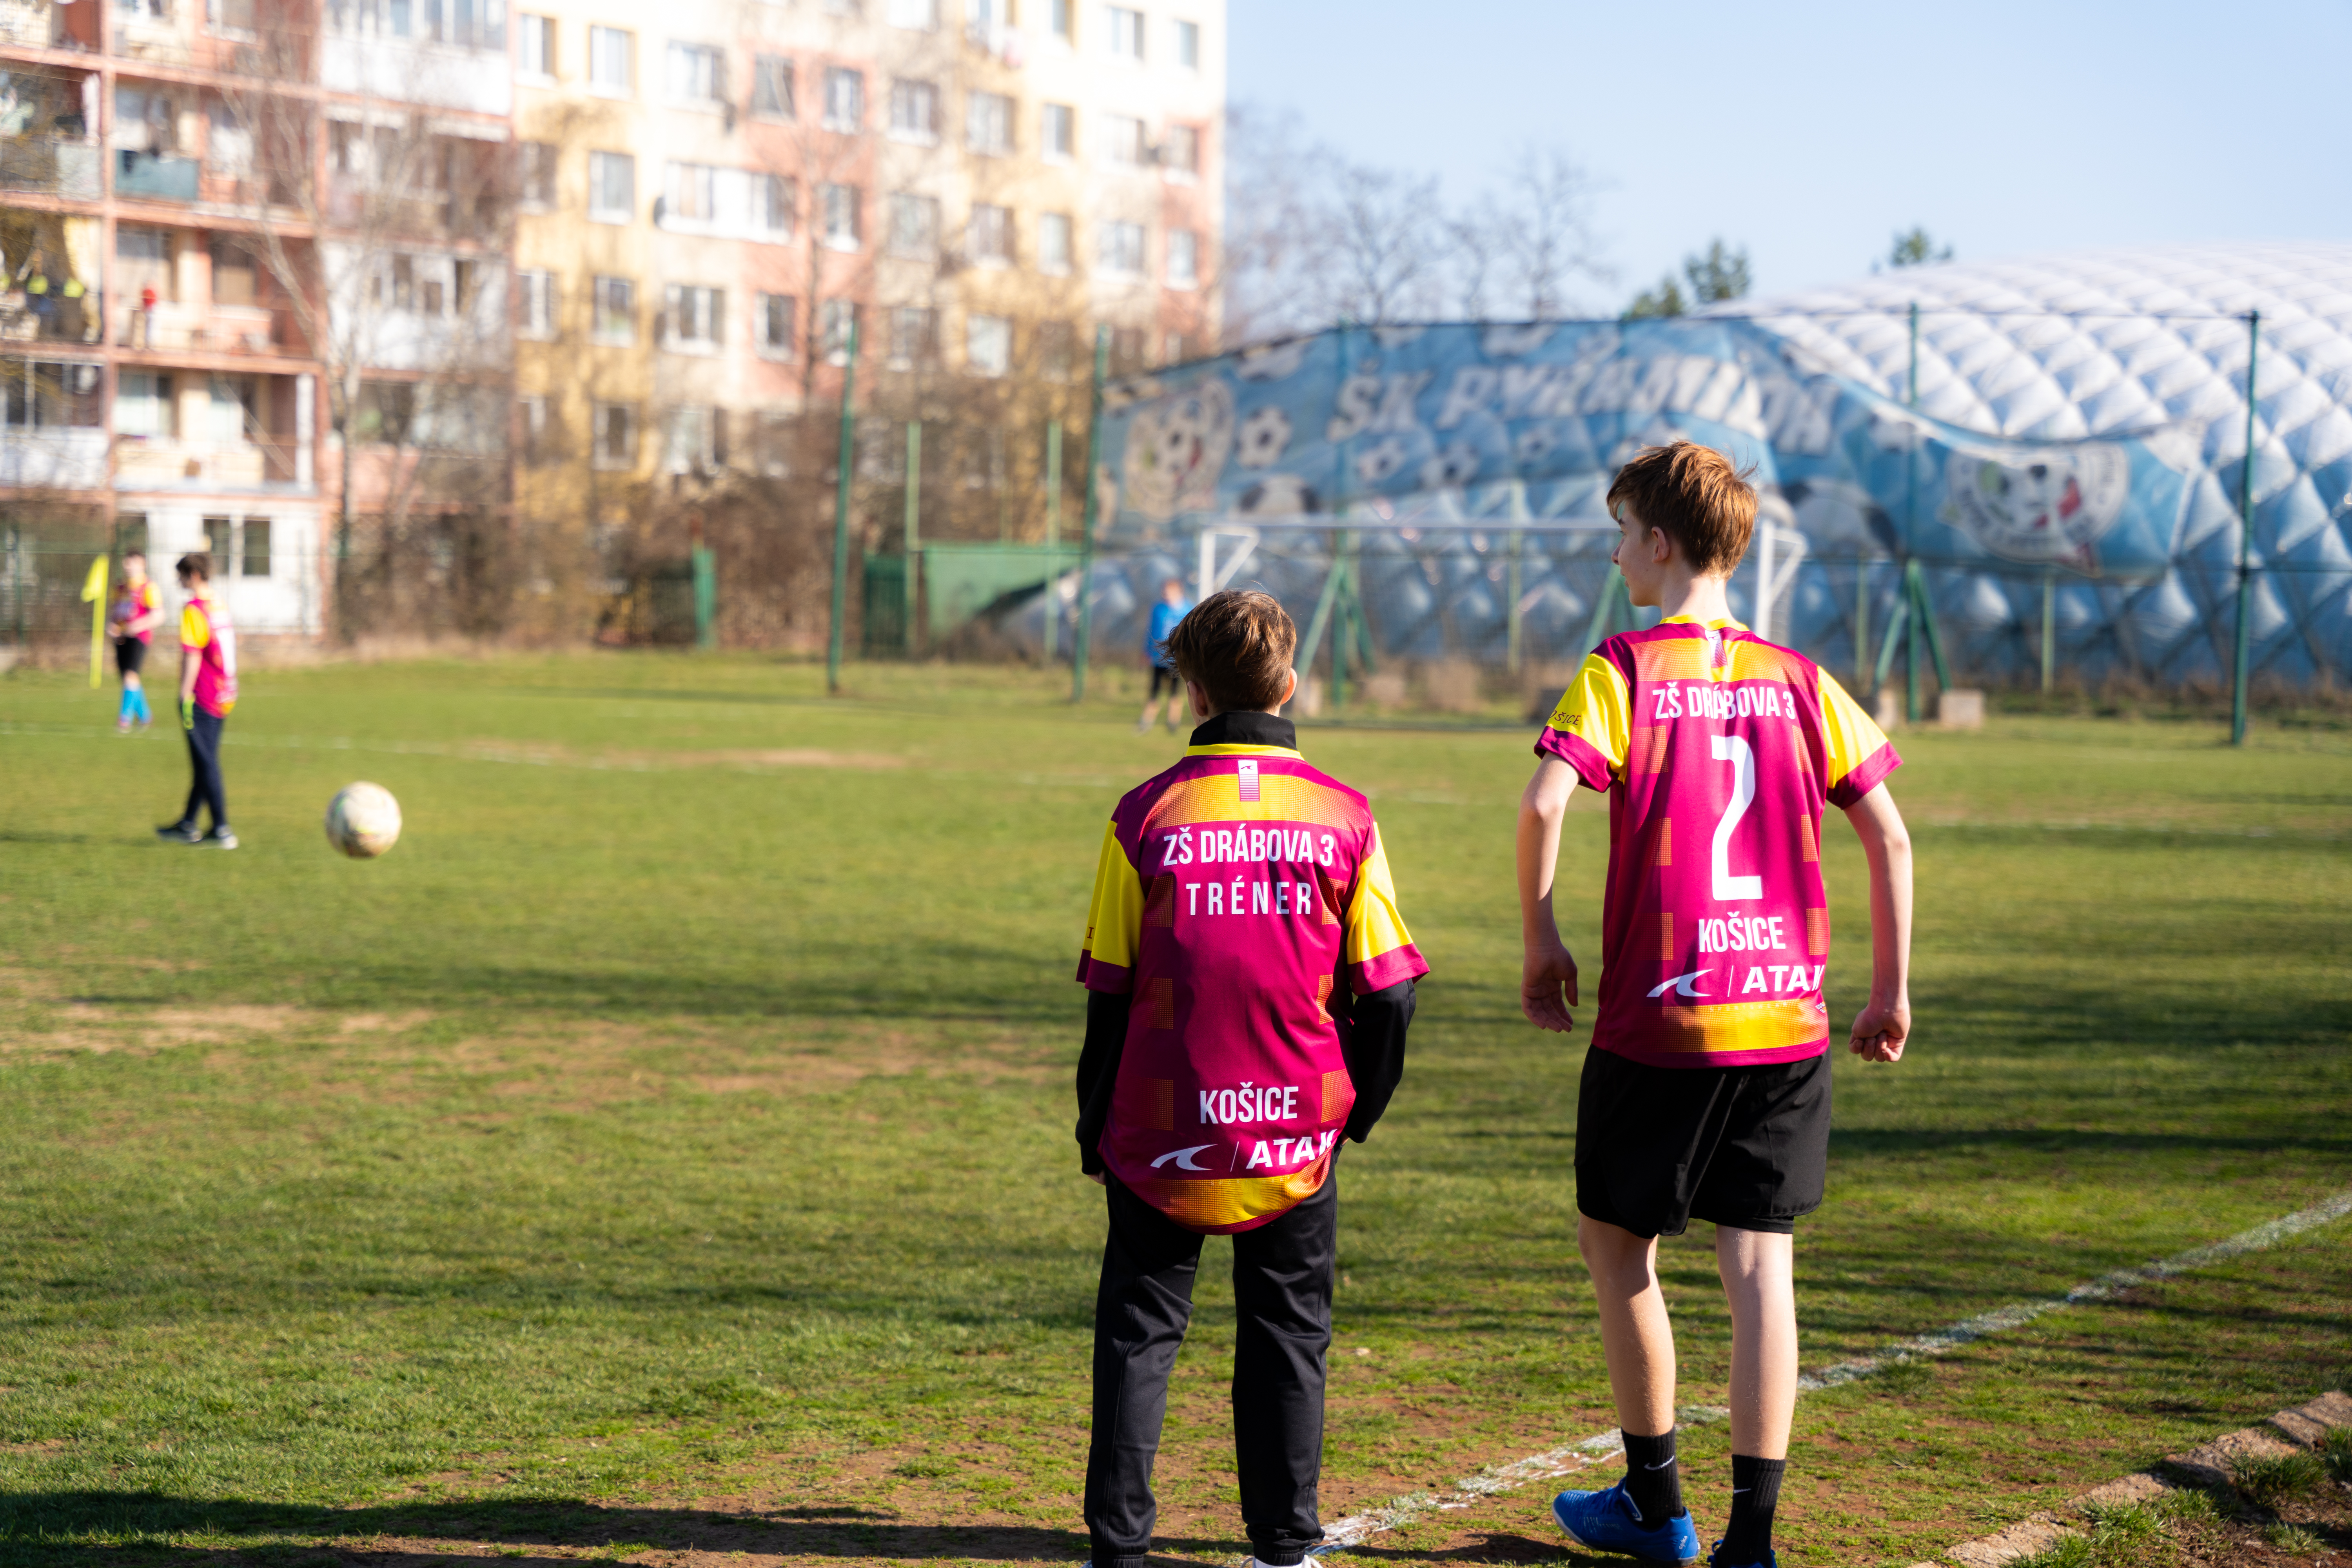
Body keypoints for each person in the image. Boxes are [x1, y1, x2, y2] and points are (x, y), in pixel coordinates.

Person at [1515, 443, 1912, 1568]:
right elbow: (1889, 831)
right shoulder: (1800, 677)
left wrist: (1542, 941)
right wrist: (1886, 992)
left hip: (1663, 1018)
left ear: (1662, 542)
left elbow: (1545, 805)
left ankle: (1655, 1502)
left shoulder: (1624, 670)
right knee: (1760, 1268)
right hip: (1784, 1018)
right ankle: (1754, 1538)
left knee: (1617, 1246)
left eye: (1622, 528)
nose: (1613, 549)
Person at [1075, 588, 1427, 1568]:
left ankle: (1119, 1545)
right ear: (1291, 681)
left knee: (1139, 1336)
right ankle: (1284, 1542)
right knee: (1287, 1335)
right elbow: (1391, 994)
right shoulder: (1345, 815)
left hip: (1158, 1125)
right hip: (1295, 1130)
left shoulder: (1144, 813)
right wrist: (1354, 1108)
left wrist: (1091, 1119)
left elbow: (1109, 989)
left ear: (1189, 687)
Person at [156, 552, 238, 850]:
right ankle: (188, 824)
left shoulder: (194, 610)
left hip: (203, 695)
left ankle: (221, 830)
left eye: (180, 575)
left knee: (206, 763)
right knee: (204, 760)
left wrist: (183, 694)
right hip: (226, 691)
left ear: (193, 575)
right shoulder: (218, 603)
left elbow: (192, 655)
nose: (178, 581)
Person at [109, 550, 162, 733]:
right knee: (129, 679)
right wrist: (113, 625)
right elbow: (117, 613)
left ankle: (124, 720)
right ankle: (145, 716)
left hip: (140, 637)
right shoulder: (121, 588)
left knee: (131, 676)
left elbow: (158, 615)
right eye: (127, 563)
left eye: (134, 563)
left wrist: (139, 625)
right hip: (122, 637)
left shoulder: (148, 587)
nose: (129, 567)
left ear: (142, 565)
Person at [1136, 577, 1192, 735]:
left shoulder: (1187, 609)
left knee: (1175, 692)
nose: (1165, 594)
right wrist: (1146, 651)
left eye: (1168, 591)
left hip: (1176, 659)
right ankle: (1146, 722)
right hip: (1157, 657)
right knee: (1154, 690)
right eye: (1163, 591)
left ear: (1178, 591)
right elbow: (1150, 631)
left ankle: (1173, 723)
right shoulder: (1158, 609)